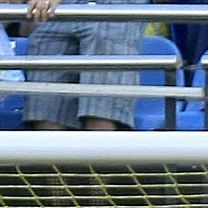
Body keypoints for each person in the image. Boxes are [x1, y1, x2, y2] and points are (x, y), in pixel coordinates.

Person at [21, 0, 151, 131]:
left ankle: (101, 149)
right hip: (62, 7)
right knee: (45, 117)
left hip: (112, 5)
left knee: (99, 115)